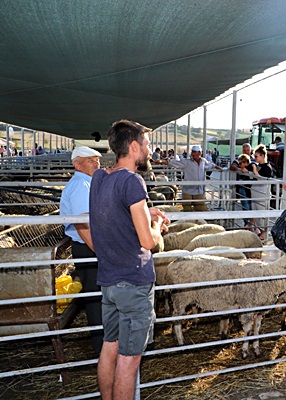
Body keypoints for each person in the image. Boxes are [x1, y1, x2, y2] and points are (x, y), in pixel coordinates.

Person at [89, 119, 169, 400]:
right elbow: (148, 242)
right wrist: (157, 228)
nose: (149, 151)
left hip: (109, 282)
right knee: (129, 358)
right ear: (134, 147)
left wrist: (148, 212)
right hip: (133, 283)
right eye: (147, 145)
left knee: (109, 347)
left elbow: (116, 215)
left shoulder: (100, 178)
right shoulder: (133, 181)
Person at [60, 146, 104, 354]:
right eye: (91, 160)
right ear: (77, 164)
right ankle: (101, 346)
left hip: (90, 246)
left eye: (97, 160)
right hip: (88, 247)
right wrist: (99, 250)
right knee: (95, 298)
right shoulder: (80, 185)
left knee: (98, 295)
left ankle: (104, 343)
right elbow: (82, 223)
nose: (97, 164)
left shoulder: (87, 183)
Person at [168, 145, 217, 212]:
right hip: (188, 190)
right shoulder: (187, 162)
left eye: (195, 152)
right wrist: (163, 161)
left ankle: (199, 221)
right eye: (192, 152)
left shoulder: (203, 161)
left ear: (200, 153)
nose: (193, 153)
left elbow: (209, 165)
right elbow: (175, 163)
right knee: (187, 209)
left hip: (199, 190)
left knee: (201, 209)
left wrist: (216, 166)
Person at [249, 145, 275, 239]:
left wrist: (254, 170)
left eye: (256, 156)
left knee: (263, 213)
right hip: (256, 193)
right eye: (254, 156)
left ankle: (264, 233)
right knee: (255, 211)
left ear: (262, 155)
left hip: (263, 193)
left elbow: (261, 179)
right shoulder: (258, 166)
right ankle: (258, 231)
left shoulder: (267, 167)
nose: (255, 158)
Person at [230, 144, 254, 227]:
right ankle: (246, 224)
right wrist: (239, 169)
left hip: (253, 187)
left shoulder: (254, 159)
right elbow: (232, 166)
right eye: (244, 150)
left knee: (252, 206)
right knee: (246, 205)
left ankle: (252, 225)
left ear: (250, 150)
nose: (246, 152)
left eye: (248, 150)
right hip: (243, 186)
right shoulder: (239, 159)